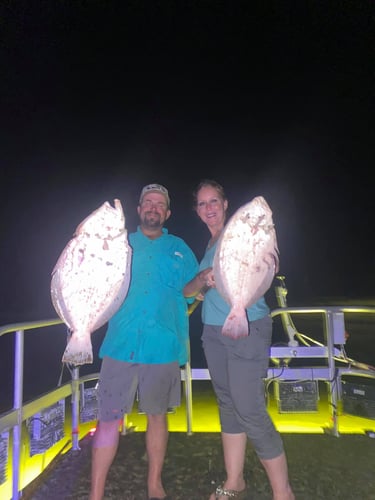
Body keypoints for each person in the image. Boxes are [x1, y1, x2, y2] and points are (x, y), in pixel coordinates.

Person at [184, 179, 295, 500]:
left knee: (249, 408)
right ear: (197, 211)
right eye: (202, 204)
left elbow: (267, 262)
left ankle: (283, 492)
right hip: (213, 332)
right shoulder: (207, 247)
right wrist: (204, 279)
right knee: (229, 405)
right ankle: (235, 481)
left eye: (213, 201)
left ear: (225, 203)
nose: (209, 209)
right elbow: (187, 291)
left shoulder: (240, 235)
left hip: (248, 326)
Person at [89, 183, 199, 500]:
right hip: (120, 344)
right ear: (139, 210)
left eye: (159, 204)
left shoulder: (179, 248)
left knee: (157, 415)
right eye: (147, 202)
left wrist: (203, 280)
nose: (153, 207)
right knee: (108, 418)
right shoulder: (118, 244)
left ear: (166, 213)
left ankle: (154, 483)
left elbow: (189, 290)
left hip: (163, 344)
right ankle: (95, 493)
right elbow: (96, 281)